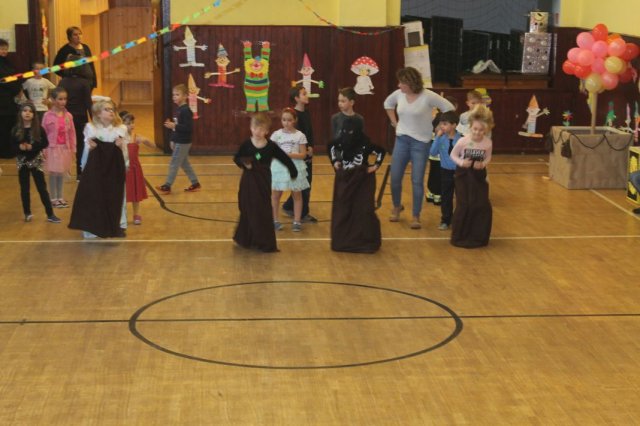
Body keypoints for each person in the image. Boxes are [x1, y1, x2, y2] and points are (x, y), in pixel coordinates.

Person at [384, 66, 454, 229]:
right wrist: (394, 123)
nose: (399, 85)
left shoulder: (428, 96)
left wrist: (441, 126)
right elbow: (387, 104)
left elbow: (449, 107)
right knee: (395, 177)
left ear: (410, 82)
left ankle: (416, 215)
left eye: (401, 82)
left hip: (421, 143)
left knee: (416, 180)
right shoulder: (399, 94)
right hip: (401, 140)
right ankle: (396, 206)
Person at [233, 113, 298, 252]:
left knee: (262, 209)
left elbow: (284, 158)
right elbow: (237, 158)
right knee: (247, 208)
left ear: (267, 131)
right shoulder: (246, 144)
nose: (258, 132)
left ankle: (263, 241)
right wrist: (244, 164)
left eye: (261, 129)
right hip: (248, 181)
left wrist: (293, 171)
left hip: (263, 182)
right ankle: (246, 239)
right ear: (251, 128)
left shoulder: (271, 146)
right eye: (255, 128)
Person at [69, 100, 128, 238]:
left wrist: (121, 149)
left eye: (112, 109)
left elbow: (125, 153)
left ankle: (118, 225)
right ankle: (92, 227)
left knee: (117, 196)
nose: (111, 111)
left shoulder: (121, 129)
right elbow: (86, 150)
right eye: (107, 109)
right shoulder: (91, 128)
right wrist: (84, 164)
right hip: (96, 167)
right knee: (94, 195)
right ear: (98, 114)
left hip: (114, 167)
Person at [328, 117, 385, 253]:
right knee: (343, 209)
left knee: (364, 209)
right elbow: (331, 146)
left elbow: (381, 151)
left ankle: (364, 239)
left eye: (351, 131)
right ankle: (344, 240)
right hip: (345, 179)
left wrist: (375, 166)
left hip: (361, 180)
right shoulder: (340, 141)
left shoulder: (365, 143)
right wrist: (335, 161)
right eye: (345, 131)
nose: (347, 134)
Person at [449, 105, 494, 248]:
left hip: (478, 175)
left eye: (481, 130)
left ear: (486, 130)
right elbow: (453, 155)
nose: (477, 132)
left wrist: (482, 164)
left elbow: (488, 157)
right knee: (464, 203)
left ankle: (477, 237)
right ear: (470, 127)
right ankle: (459, 236)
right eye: (475, 129)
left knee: (480, 203)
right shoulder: (463, 141)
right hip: (463, 174)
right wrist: (462, 162)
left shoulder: (487, 143)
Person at [10, 101, 61, 223]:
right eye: (25, 111)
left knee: (42, 188)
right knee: (24, 188)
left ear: (34, 114)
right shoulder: (16, 129)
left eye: (30, 111)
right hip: (22, 162)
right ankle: (27, 213)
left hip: (36, 161)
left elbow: (45, 143)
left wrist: (32, 147)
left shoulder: (38, 129)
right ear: (20, 113)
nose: (27, 113)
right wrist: (20, 147)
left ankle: (50, 214)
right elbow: (12, 146)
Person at [157, 84, 201, 194]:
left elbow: (188, 128)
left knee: (174, 163)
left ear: (185, 96)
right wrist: (173, 139)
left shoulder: (186, 110)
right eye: (173, 95)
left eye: (177, 94)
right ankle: (195, 183)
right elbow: (177, 127)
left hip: (183, 142)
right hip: (179, 141)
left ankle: (167, 186)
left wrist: (174, 126)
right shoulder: (179, 109)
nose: (174, 97)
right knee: (184, 163)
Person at [271, 107, 310, 232]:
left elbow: (303, 154)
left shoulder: (300, 135)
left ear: (295, 120)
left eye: (289, 120)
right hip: (279, 167)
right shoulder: (276, 135)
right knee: (276, 194)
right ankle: (275, 220)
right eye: (284, 120)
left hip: (295, 167)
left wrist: (289, 155)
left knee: (297, 194)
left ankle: (297, 221)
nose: (286, 123)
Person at [282, 85, 316, 223]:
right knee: (304, 184)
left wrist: (311, 147)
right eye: (304, 94)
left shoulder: (306, 113)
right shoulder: (294, 116)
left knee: (306, 182)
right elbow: (294, 136)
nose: (307, 95)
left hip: (307, 153)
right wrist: (304, 150)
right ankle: (303, 213)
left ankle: (289, 206)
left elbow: (309, 133)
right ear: (296, 98)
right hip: (299, 155)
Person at [58, 53, 93, 180]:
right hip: (80, 118)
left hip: (65, 118)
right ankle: (80, 172)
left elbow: (58, 101)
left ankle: (63, 170)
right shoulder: (84, 83)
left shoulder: (62, 82)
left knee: (64, 144)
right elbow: (88, 103)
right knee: (80, 145)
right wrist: (94, 120)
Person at [42, 87, 76, 208]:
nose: (63, 101)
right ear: (53, 99)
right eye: (60, 99)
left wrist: (73, 149)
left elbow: (72, 133)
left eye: (65, 99)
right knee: (53, 173)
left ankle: (60, 197)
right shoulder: (47, 116)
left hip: (64, 148)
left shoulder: (68, 116)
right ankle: (53, 198)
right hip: (52, 148)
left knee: (61, 173)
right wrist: (42, 149)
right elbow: (43, 133)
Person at [429, 111, 461, 231]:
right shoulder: (441, 139)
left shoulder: (462, 139)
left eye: (445, 124)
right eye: (441, 124)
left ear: (454, 125)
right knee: (446, 197)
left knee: (461, 197)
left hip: (460, 172)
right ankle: (446, 220)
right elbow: (432, 152)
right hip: (445, 171)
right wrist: (437, 137)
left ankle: (459, 220)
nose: (442, 126)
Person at [120, 111, 154, 225]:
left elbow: (153, 145)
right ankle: (121, 214)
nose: (131, 125)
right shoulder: (118, 138)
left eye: (132, 122)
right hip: (122, 169)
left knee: (135, 193)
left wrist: (144, 140)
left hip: (134, 169)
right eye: (128, 123)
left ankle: (136, 213)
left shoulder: (136, 136)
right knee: (122, 193)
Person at [426, 95, 458, 206]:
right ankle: (437, 195)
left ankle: (431, 194)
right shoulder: (444, 118)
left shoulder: (438, 116)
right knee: (439, 174)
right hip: (440, 152)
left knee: (433, 173)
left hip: (435, 150)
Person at [0, 38, 22, 158]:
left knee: (10, 125)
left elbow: (14, 77)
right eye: (1, 49)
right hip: (2, 100)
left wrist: (18, 88)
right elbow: (5, 80)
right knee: (3, 126)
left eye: (6, 49)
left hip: (9, 100)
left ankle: (9, 150)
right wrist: (15, 87)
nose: (4, 51)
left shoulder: (8, 62)